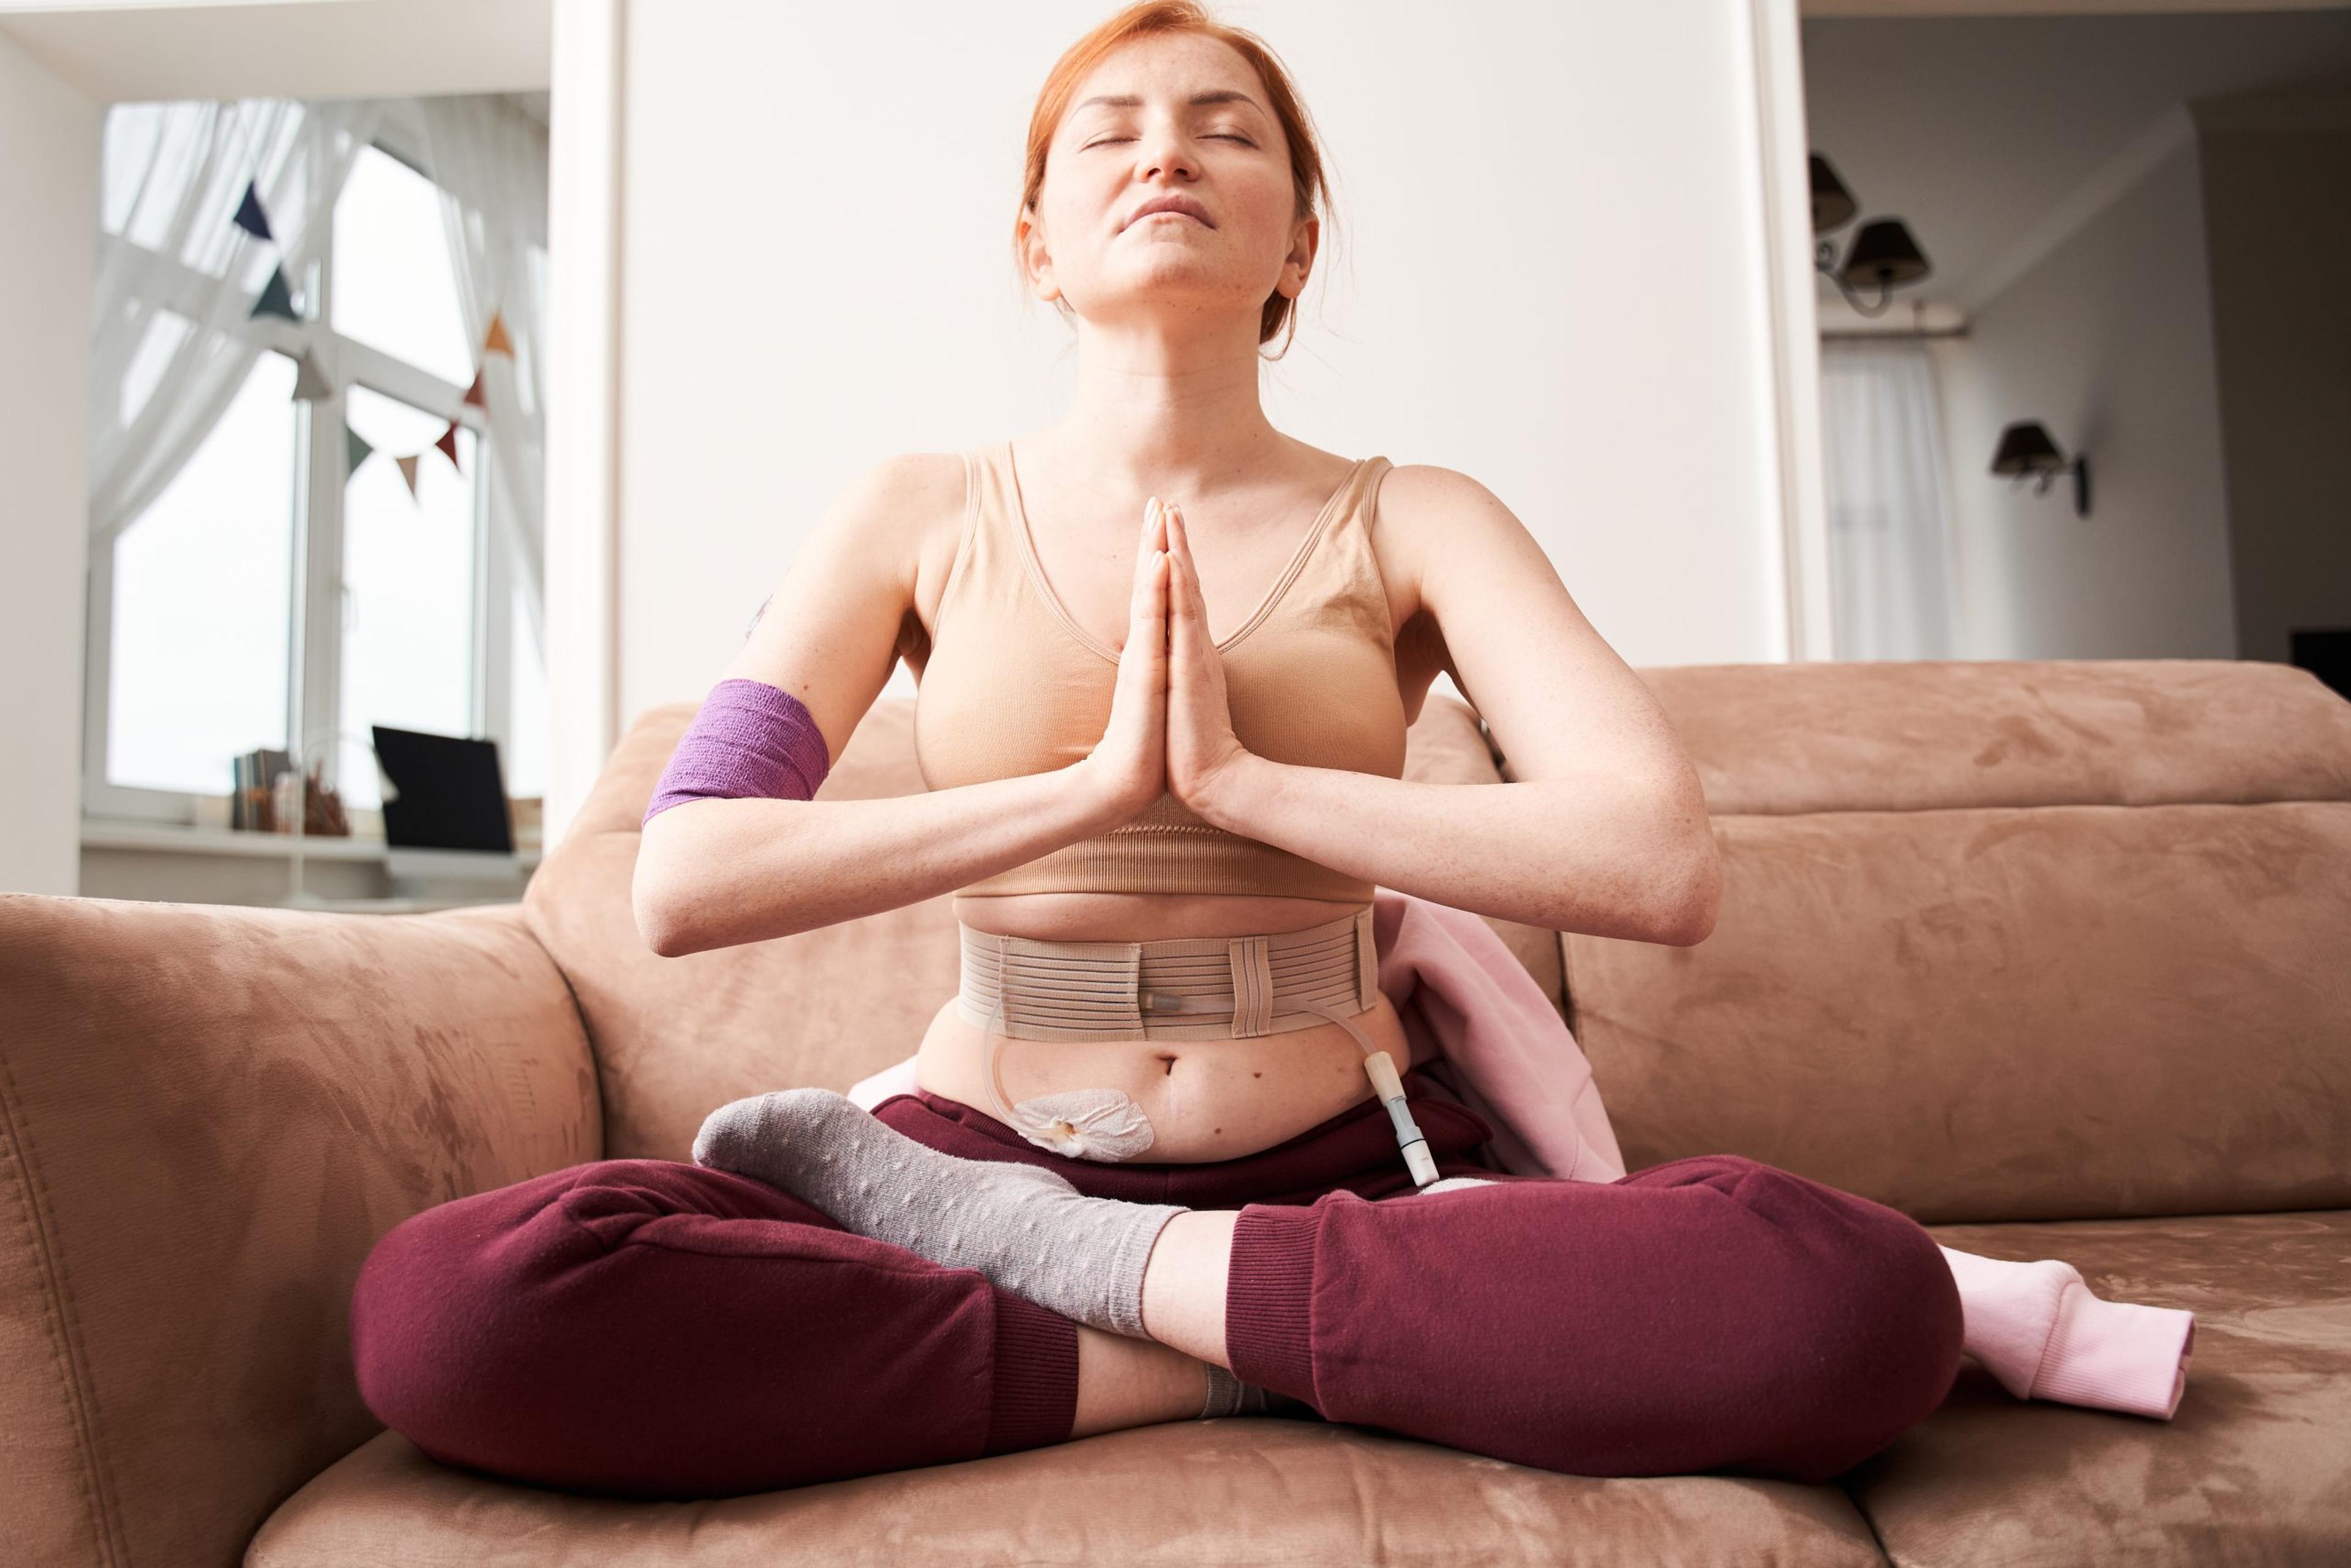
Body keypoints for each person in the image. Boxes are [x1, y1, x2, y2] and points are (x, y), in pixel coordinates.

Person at [348, 1, 1963, 1501]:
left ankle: (1114, 1301)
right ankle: (1282, 1353)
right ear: (1036, 243)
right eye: (1108, 131)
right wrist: (1085, 788)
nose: (1167, 152)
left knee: (1858, 1312)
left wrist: (1253, 788)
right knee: (458, 1312)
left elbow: (1659, 861)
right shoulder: (911, 514)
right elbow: (685, 876)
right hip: (974, 1151)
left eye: (1226, 128)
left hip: (1356, 1177)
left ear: (1299, 243)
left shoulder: (1419, 517)